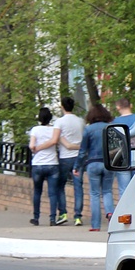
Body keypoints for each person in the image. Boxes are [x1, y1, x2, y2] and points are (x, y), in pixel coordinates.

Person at [75, 103, 115, 232]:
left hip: (93, 164)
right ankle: (110, 213)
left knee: (95, 194)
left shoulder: (88, 130)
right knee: (107, 191)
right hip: (108, 163)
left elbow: (82, 152)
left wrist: (77, 166)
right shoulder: (110, 128)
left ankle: (96, 225)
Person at [54, 97, 85, 226]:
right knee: (78, 187)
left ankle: (63, 213)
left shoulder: (59, 122)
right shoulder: (81, 121)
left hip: (65, 157)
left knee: (60, 185)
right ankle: (78, 216)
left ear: (62, 107)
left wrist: (67, 144)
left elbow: (55, 139)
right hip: (79, 157)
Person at [28, 107, 61, 226]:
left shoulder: (35, 130)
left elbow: (32, 146)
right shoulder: (54, 130)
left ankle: (36, 217)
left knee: (37, 192)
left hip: (38, 164)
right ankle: (52, 218)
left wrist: (36, 148)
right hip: (52, 163)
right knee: (52, 193)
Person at [113, 97, 135, 198]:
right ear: (131, 105)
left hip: (122, 160)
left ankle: (125, 211)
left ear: (118, 107)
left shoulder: (115, 123)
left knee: (124, 190)